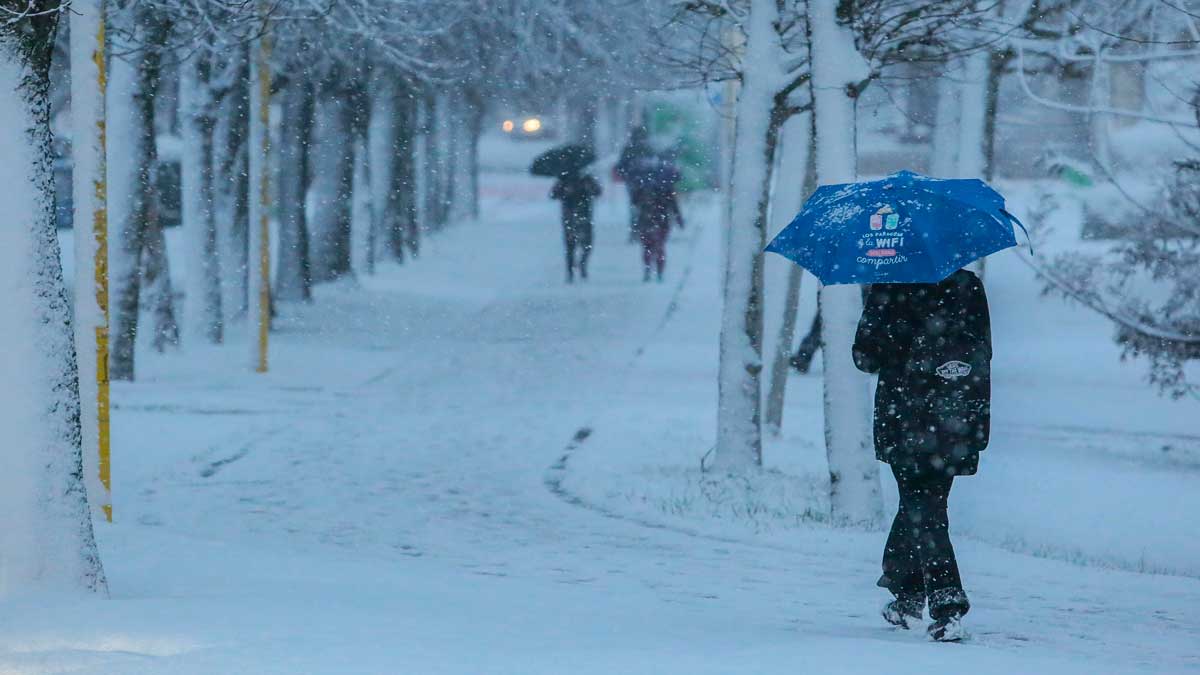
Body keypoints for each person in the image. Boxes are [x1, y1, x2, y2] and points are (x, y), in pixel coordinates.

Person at [851, 268, 992, 642]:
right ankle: (906, 592)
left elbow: (865, 358)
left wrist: (891, 336)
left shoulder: (891, 286)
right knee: (923, 502)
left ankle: (947, 603)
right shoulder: (968, 285)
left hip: (907, 419)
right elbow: (982, 353)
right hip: (955, 418)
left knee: (924, 506)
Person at [632, 160, 683, 282]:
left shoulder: (642, 185)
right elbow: (673, 205)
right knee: (660, 247)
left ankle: (647, 269)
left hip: (645, 220)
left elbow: (635, 201)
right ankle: (659, 272)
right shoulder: (667, 186)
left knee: (647, 247)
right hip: (662, 220)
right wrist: (678, 219)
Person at [550, 169, 602, 283]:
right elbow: (553, 194)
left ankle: (582, 265)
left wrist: (589, 187)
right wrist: (565, 191)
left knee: (587, 245)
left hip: (584, 216)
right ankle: (570, 272)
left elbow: (598, 192)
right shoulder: (563, 179)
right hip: (570, 218)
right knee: (570, 247)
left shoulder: (587, 178)